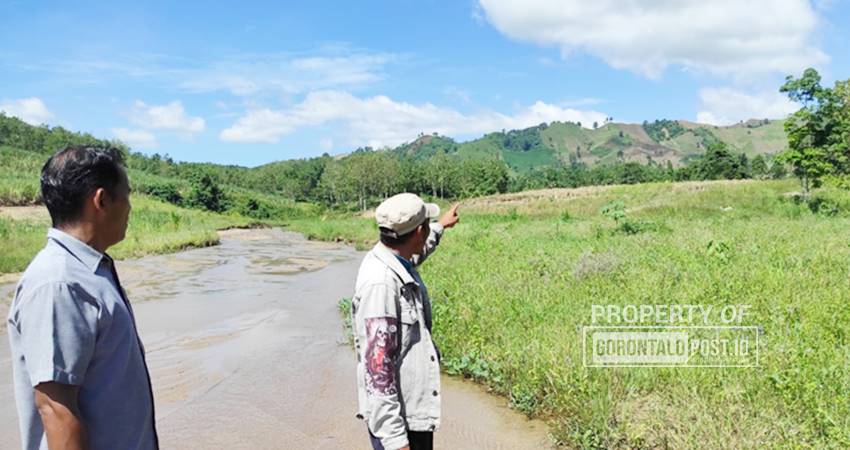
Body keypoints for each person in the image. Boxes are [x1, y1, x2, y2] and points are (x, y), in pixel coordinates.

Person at [7, 146, 158, 450]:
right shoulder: (59, 283)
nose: (129, 207)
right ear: (101, 200)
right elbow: (55, 408)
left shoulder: (89, 271)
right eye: (126, 195)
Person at [352, 192, 460, 450]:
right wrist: (396, 441)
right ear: (418, 232)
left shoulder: (393, 258)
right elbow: (378, 372)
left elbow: (415, 255)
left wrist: (441, 226)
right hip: (399, 426)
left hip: (409, 415)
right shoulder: (381, 285)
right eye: (427, 225)